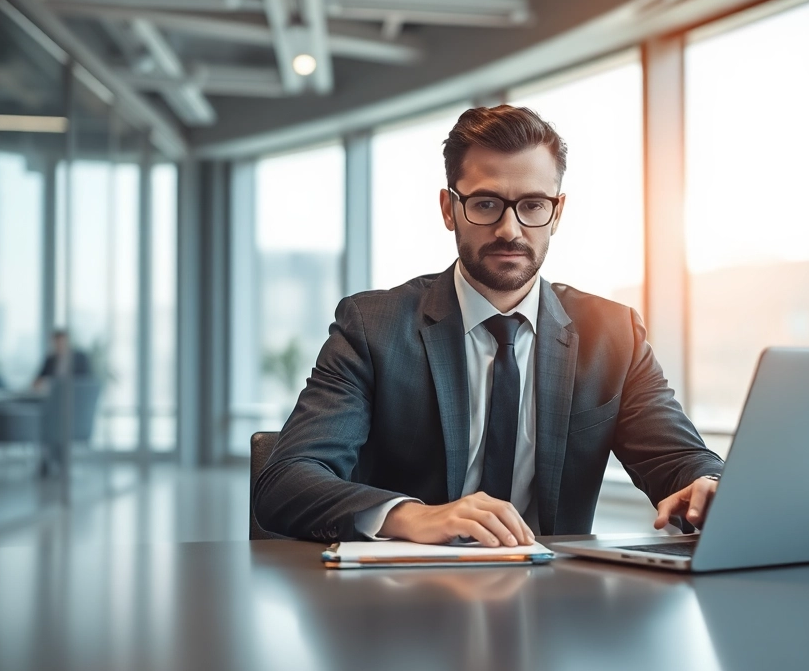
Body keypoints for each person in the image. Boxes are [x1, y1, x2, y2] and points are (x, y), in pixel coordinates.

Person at [254, 105, 724, 546]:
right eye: (485, 204)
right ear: (448, 208)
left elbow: (680, 460)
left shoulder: (614, 334)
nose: (510, 230)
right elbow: (287, 479)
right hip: (403, 602)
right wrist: (410, 516)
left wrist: (708, 485)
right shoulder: (372, 328)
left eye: (533, 205)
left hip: (560, 603)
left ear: (556, 213)